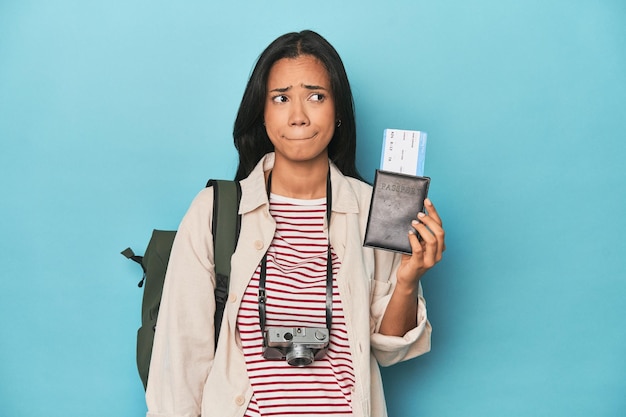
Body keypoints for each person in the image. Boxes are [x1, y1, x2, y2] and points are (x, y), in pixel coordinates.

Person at [146, 30, 445, 417]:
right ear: (263, 112)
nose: (299, 115)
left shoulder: (375, 208)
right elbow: (180, 357)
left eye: (316, 96)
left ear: (338, 112)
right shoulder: (215, 212)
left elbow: (391, 349)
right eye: (281, 98)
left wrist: (408, 278)